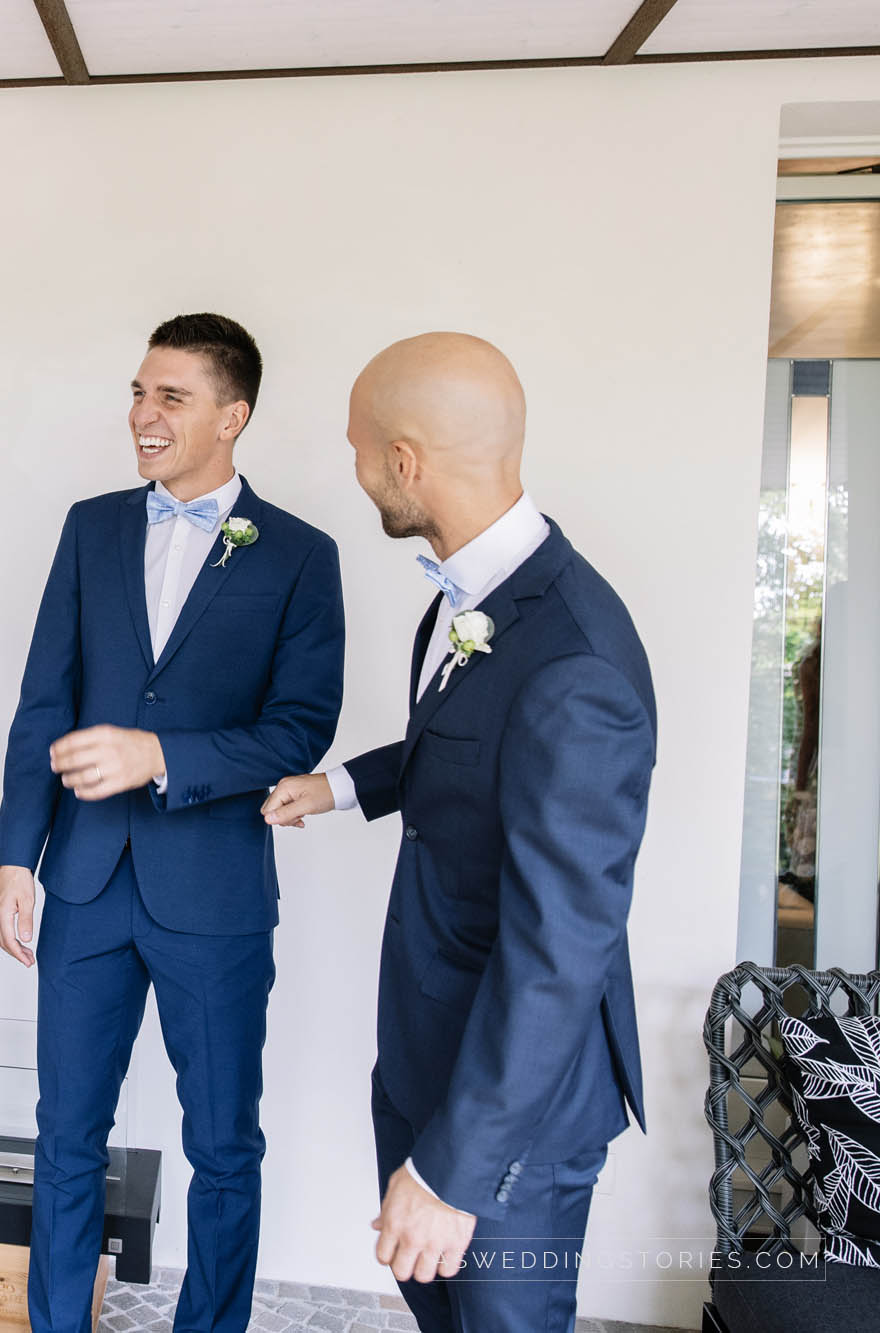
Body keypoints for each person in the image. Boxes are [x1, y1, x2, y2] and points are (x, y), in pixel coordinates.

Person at [262, 333, 655, 1333]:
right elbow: (472, 745)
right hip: (427, 1048)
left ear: (404, 461)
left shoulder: (575, 661)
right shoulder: (473, 598)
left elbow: (561, 945)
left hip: (512, 1117)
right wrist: (341, 786)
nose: (354, 470)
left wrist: (453, 1168)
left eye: (358, 450)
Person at [0, 314, 345, 1333]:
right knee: (64, 1135)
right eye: (139, 393)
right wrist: (15, 858)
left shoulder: (299, 555)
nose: (143, 415)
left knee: (223, 1147)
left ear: (233, 416)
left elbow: (298, 728)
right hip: (84, 881)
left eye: (171, 397)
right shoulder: (88, 528)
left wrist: (162, 757)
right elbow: (41, 706)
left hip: (215, 891)